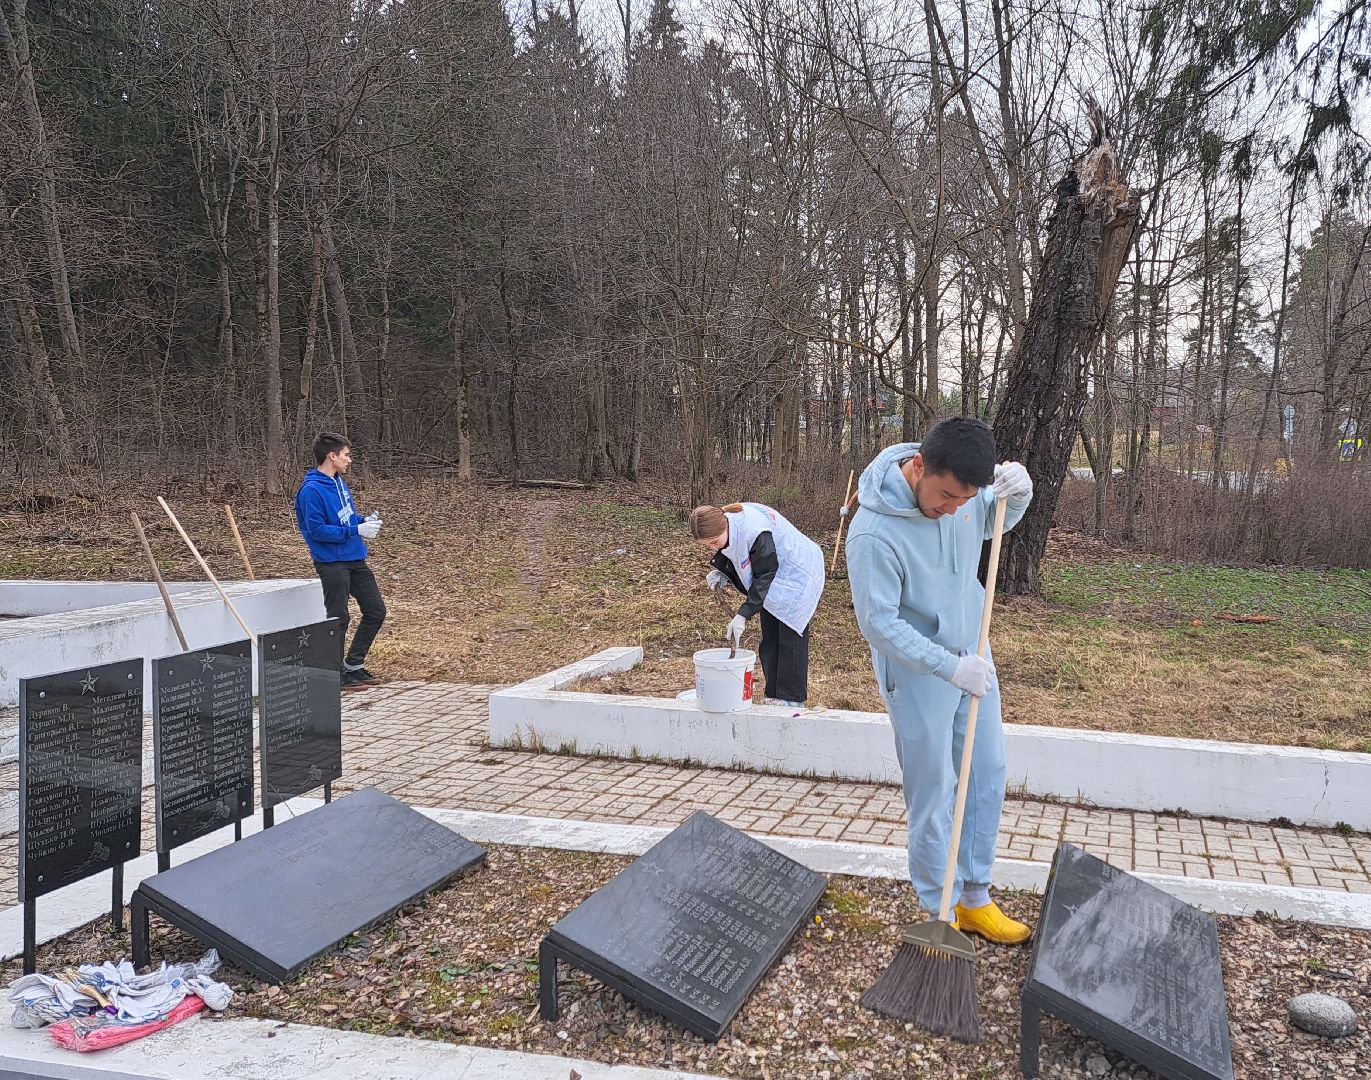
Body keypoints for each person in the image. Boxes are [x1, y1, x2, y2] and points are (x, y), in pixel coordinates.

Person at [845, 417, 1034, 943]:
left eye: (964, 499)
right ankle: (940, 909)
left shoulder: (963, 497)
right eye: (946, 496)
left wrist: (1018, 494)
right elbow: (878, 624)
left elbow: (992, 520)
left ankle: (975, 897)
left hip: (973, 651)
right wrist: (948, 667)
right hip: (918, 672)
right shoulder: (873, 532)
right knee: (934, 790)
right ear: (918, 465)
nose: (953, 509)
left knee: (985, 772)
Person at [689, 502, 825, 707]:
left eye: (714, 542)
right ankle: (774, 695)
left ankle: (791, 700)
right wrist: (724, 572)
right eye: (707, 545)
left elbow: (764, 574)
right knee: (770, 638)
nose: (713, 548)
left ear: (723, 526)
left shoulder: (753, 531)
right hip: (775, 576)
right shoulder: (728, 524)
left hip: (798, 574)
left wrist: (744, 614)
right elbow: (737, 552)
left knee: (789, 638)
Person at [294, 432, 388, 690]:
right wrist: (355, 530)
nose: (349, 460)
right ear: (331, 456)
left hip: (355, 558)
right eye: (346, 455)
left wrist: (362, 521)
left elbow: (346, 518)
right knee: (338, 618)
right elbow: (317, 531)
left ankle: (354, 665)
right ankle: (333, 675)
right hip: (331, 562)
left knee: (376, 610)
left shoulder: (339, 483)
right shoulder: (311, 491)